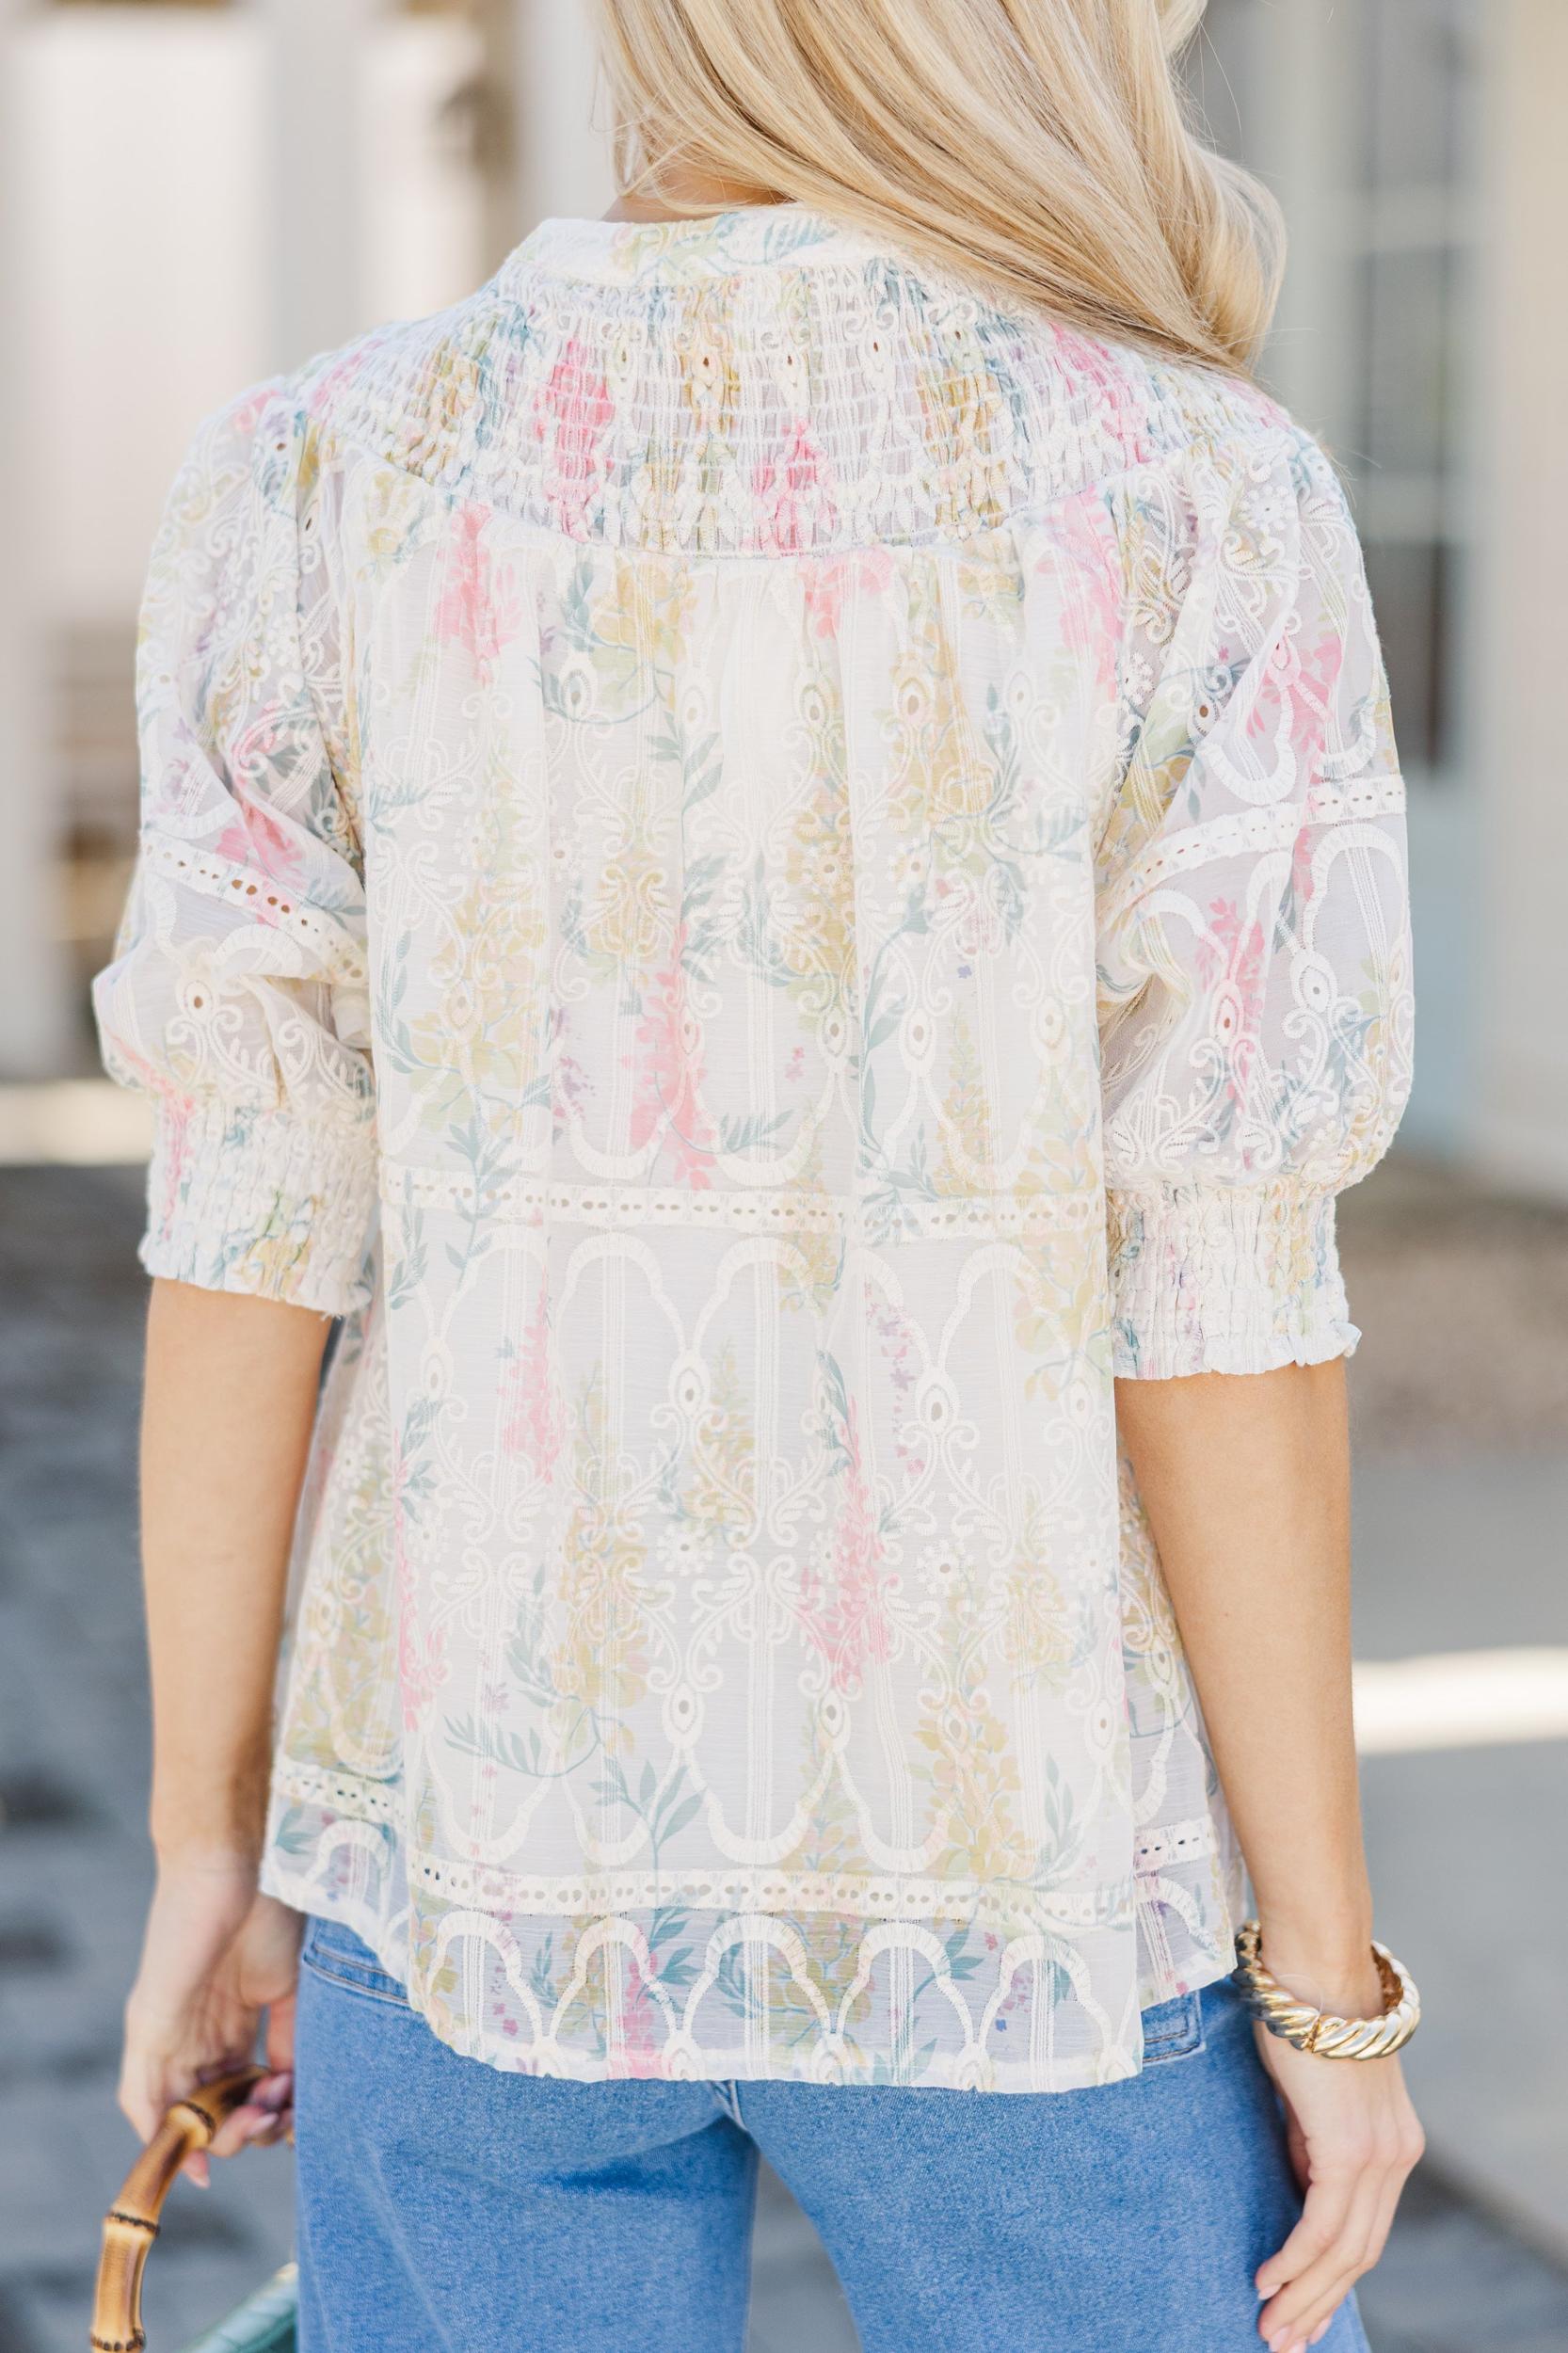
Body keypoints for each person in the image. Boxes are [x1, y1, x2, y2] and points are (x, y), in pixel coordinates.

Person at [93, 2, 1426, 2346]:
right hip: (1015, 1894)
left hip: (470, 1860)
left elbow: (243, 1240)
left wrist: (215, 1846)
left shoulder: (313, 473)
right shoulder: (1195, 491)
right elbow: (1212, 1296)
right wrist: (1323, 1985)